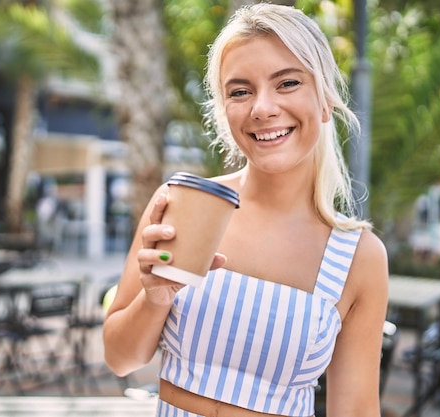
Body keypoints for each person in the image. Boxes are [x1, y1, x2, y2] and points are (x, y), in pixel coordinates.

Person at [103, 3, 389, 417]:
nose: (262, 108)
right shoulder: (181, 203)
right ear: (225, 112)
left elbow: (357, 410)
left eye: (287, 83)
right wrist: (154, 300)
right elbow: (119, 357)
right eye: (240, 91)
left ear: (326, 99)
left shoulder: (359, 257)